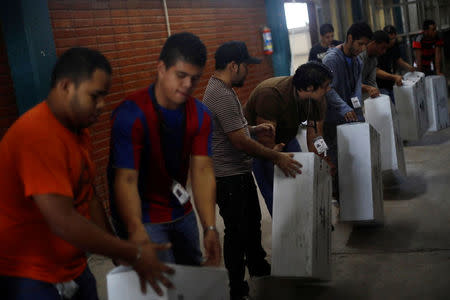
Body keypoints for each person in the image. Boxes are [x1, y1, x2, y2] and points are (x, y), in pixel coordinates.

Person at [0, 47, 174, 299]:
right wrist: (131, 252)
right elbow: (63, 221)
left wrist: (116, 251)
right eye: (95, 96)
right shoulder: (37, 134)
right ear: (66, 86)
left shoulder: (78, 130)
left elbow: (88, 196)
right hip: (31, 275)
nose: (102, 105)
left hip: (73, 266)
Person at [108, 32, 221, 270]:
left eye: (195, 78)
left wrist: (210, 227)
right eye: (181, 76)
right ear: (161, 68)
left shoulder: (200, 115)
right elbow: (126, 179)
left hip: (181, 208)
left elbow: (201, 171)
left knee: (193, 277)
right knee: (163, 282)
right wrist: (135, 229)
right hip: (145, 216)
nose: (188, 85)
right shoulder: (131, 114)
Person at [203, 41, 302, 300]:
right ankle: (237, 289)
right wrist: (276, 156)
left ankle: (257, 264)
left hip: (239, 172)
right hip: (228, 177)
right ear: (233, 65)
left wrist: (255, 130)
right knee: (236, 232)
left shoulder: (224, 89)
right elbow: (238, 141)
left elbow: (235, 130)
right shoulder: (221, 95)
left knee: (252, 222)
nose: (247, 71)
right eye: (245, 66)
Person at [244, 61, 333, 216]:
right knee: (276, 190)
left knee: (300, 175)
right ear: (310, 88)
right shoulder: (271, 94)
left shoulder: (317, 98)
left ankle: (307, 223)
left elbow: (315, 133)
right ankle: (286, 230)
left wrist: (323, 159)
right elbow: (266, 141)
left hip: (287, 133)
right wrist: (278, 159)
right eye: (326, 86)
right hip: (260, 141)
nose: (329, 89)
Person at [322, 22, 373, 201]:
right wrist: (344, 108)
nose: (362, 48)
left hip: (350, 118)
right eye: (360, 44)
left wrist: (358, 115)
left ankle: (354, 200)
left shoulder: (358, 61)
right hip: (332, 118)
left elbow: (356, 89)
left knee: (353, 158)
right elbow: (327, 89)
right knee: (336, 160)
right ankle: (338, 198)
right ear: (349, 38)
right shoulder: (331, 60)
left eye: (365, 45)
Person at [376, 25, 416, 103]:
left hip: (390, 82)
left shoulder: (394, 46)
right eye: (390, 39)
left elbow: (397, 59)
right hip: (380, 84)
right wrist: (394, 77)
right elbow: (376, 71)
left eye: (394, 38)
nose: (392, 41)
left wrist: (409, 67)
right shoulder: (379, 49)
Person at [359, 30, 390, 99]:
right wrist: (368, 88)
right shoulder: (360, 55)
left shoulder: (374, 59)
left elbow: (372, 82)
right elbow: (353, 84)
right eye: (382, 48)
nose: (384, 51)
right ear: (373, 43)